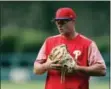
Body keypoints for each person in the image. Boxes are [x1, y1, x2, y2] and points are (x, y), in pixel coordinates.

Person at [33, 7, 106, 89]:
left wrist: (77, 68)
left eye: (63, 21)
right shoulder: (49, 41)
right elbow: (36, 69)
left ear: (73, 21)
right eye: (57, 22)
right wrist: (46, 65)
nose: (59, 25)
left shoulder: (88, 44)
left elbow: (102, 70)